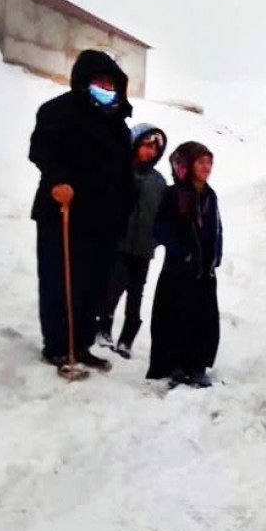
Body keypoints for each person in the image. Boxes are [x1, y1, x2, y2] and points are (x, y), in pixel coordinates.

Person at [28, 50, 134, 374]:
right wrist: (58, 179)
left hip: (103, 222)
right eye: (100, 80)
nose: (106, 86)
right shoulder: (59, 111)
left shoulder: (117, 124)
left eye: (111, 82)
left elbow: (123, 171)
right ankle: (59, 347)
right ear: (84, 80)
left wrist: (125, 207)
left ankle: (82, 344)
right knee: (61, 282)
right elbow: (42, 149)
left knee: (94, 286)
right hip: (65, 212)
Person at [147, 142, 223, 388]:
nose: (206, 167)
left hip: (203, 272)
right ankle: (175, 366)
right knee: (175, 318)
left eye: (209, 162)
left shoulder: (210, 196)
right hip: (178, 272)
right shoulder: (173, 195)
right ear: (187, 165)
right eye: (201, 162)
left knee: (203, 320)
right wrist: (182, 252)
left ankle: (197, 366)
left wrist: (215, 256)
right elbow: (160, 229)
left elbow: (215, 229)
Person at [96, 124, 169, 358]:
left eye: (155, 149)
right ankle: (103, 327)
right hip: (118, 243)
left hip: (144, 248)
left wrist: (156, 238)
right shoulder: (119, 171)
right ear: (135, 144)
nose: (150, 152)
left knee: (136, 294)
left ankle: (127, 339)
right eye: (146, 146)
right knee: (113, 287)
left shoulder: (158, 182)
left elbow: (162, 215)